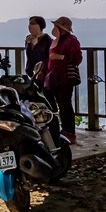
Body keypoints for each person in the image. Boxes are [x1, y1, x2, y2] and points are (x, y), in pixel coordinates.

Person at [44, 16, 82, 144]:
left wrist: (60, 57)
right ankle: (59, 129)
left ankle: (69, 131)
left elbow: (77, 58)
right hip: (54, 77)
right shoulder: (57, 41)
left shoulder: (71, 41)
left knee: (65, 104)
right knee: (56, 104)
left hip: (65, 78)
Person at [24, 16, 53, 80]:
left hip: (43, 72)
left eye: (33, 24)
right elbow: (29, 55)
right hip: (30, 71)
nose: (30, 26)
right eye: (29, 24)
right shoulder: (28, 38)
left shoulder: (47, 39)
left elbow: (49, 56)